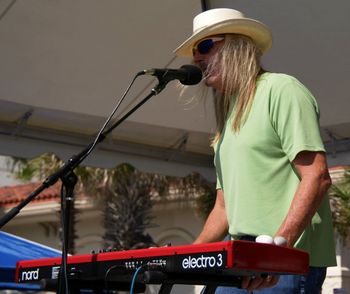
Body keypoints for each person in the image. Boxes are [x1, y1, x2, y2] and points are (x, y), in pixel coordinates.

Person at [174, 8, 336, 293]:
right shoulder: (228, 117)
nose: (197, 57)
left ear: (237, 45)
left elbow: (317, 177)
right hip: (242, 256)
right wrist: (183, 256)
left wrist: (278, 249)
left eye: (205, 45)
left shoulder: (282, 90)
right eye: (195, 51)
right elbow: (224, 208)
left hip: (285, 260)